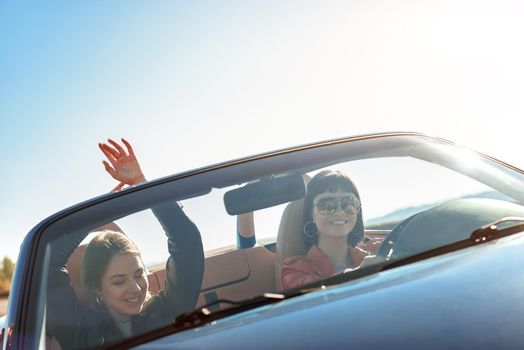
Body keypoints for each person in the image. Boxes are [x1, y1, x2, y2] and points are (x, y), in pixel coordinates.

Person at [46, 138, 204, 349]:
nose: (136, 287)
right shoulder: (82, 332)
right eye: (118, 281)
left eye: (139, 274)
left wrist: (142, 183)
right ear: (97, 288)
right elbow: (48, 266)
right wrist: (92, 218)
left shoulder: (170, 307)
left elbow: (187, 241)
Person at [281, 169, 382, 289]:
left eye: (348, 203)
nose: (339, 212)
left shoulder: (376, 250)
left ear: (357, 210)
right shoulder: (294, 269)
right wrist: (359, 273)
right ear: (311, 213)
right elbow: (312, 292)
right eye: (327, 205)